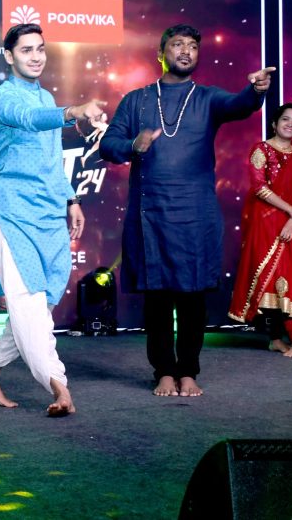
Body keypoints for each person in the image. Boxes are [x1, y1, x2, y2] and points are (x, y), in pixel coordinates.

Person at [99, 24, 273, 397]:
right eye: (178, 44)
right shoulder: (137, 100)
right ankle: (164, 371)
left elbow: (239, 104)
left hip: (195, 215)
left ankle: (189, 371)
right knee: (158, 299)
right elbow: (108, 145)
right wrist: (133, 144)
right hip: (151, 215)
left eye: (193, 46)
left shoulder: (207, 97)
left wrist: (256, 91)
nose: (186, 51)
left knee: (193, 299)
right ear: (161, 53)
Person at [0, 23, 106, 417]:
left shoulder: (45, 96)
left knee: (38, 305)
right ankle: (58, 385)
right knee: (28, 303)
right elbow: (30, 119)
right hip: (12, 211)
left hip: (47, 212)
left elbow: (50, 159)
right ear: (9, 56)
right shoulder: (3, 97)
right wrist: (73, 112)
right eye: (26, 49)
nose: (35, 56)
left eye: (40, 49)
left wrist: (71, 198)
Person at [228, 103, 292, 357]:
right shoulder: (261, 150)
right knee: (272, 280)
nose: (290, 124)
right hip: (266, 223)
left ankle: (281, 339)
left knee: (288, 279)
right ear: (274, 123)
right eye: (285, 119)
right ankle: (290, 340)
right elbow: (259, 187)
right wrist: (291, 211)